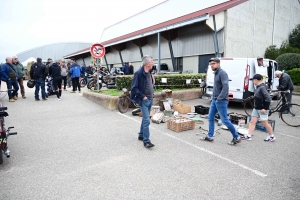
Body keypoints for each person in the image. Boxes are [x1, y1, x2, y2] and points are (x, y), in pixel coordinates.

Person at [200, 58, 241, 145]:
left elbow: (225, 87)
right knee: (210, 118)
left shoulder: (222, 73)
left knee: (225, 120)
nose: (212, 65)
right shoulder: (216, 73)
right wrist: (213, 96)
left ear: (219, 64)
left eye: (213, 64)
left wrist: (219, 98)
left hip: (221, 101)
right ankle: (210, 136)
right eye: (211, 64)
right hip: (215, 100)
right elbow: (218, 87)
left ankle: (236, 137)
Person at [130, 55, 155, 148]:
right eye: (152, 62)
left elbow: (148, 84)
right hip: (144, 100)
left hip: (150, 99)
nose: (153, 63)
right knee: (147, 121)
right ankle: (146, 141)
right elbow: (134, 88)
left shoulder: (149, 72)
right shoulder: (139, 73)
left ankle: (141, 135)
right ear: (147, 63)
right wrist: (143, 97)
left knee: (145, 119)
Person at [241, 74, 275, 141]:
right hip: (256, 107)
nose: (253, 82)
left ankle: (272, 136)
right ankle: (249, 135)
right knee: (252, 121)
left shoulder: (262, 87)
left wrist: (265, 108)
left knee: (264, 122)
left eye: (253, 80)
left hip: (262, 108)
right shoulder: (258, 87)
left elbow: (268, 98)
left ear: (256, 80)